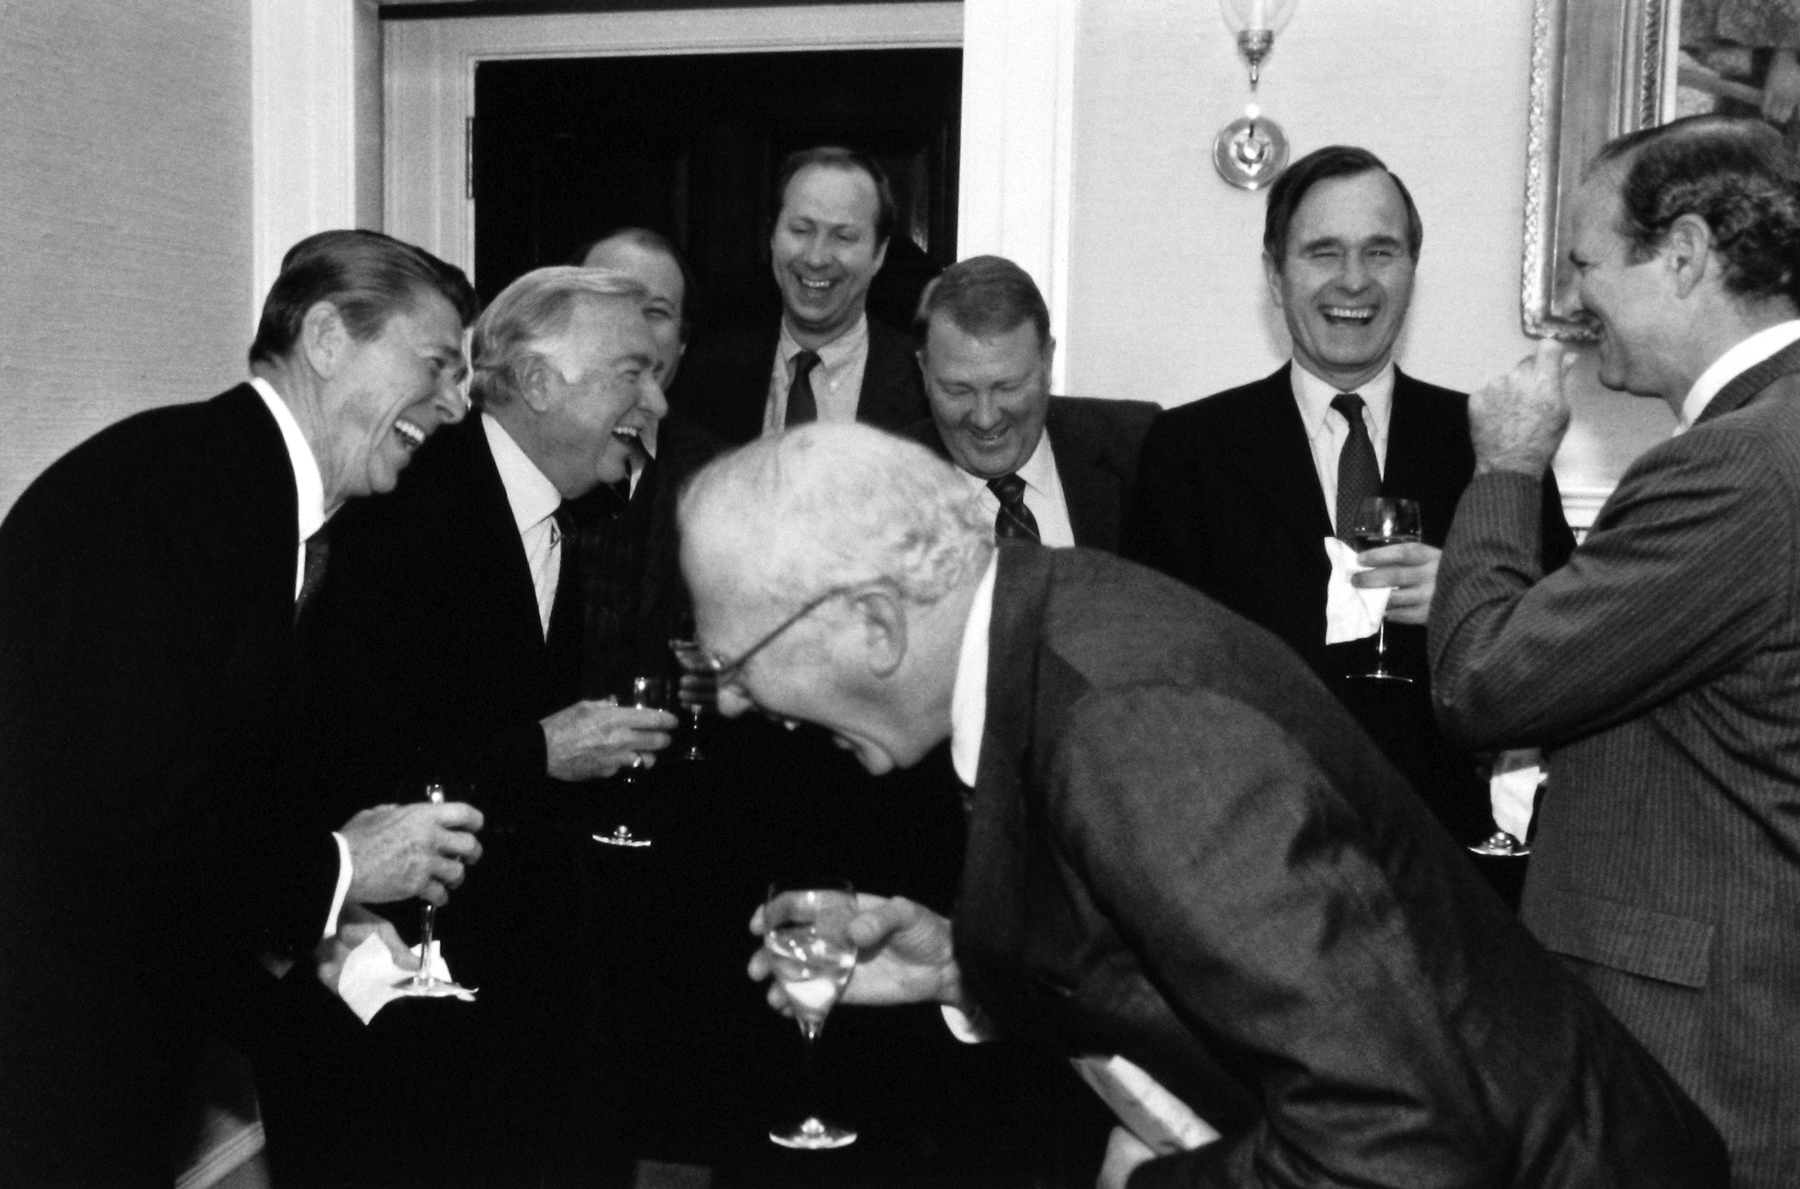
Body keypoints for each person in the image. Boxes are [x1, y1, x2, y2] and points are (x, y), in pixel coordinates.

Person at [679, 421, 1729, 1189]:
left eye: (736, 661)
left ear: (874, 624)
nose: (728, 700)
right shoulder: (1049, 619)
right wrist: (967, 964)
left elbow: (1401, 1133)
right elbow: (1186, 948)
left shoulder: (1130, 726)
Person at [0, 229, 488, 1187]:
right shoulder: (173, 494)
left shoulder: (249, 496)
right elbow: (135, 820)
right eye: (436, 363)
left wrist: (323, 915)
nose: (457, 401)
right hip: (49, 1051)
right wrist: (343, 865)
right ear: (326, 337)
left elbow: (210, 792)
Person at [1430, 114, 1800, 1188]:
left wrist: (1507, 466)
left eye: (1585, 263)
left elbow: (1481, 682)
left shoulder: (1736, 469)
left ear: (1682, 255)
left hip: (1698, 1048)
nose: (1570, 300)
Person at [256, 265, 680, 1188]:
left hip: (510, 981)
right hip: (389, 999)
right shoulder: (398, 499)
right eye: (632, 373)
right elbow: (338, 752)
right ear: (537, 382)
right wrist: (542, 749)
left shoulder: (567, 509)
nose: (655, 402)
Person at [1123, 145, 1575, 870]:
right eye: (1323, 252)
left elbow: (1571, 653)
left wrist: (1473, 596)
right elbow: (1150, 680)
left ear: (1412, 269)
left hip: (1451, 862)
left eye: (1380, 251)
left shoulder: (1495, 443)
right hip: (1252, 855)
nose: (1354, 280)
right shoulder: (1189, 451)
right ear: (1275, 274)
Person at [669, 145, 928, 443]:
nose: (816, 258)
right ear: (772, 238)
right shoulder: (705, 379)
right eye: (801, 230)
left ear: (879, 253)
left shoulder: (926, 384)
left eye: (843, 237)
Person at [906, 255, 1157, 552]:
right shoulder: (880, 484)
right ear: (924, 371)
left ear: (1047, 362)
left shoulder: (1141, 449)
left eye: (1007, 387)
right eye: (958, 390)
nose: (985, 418)